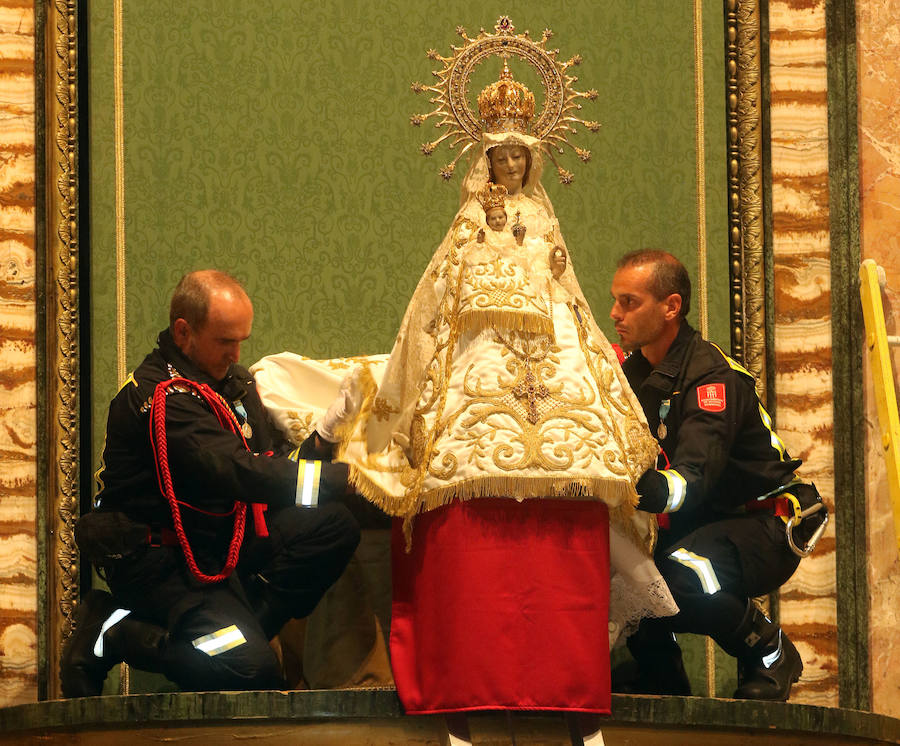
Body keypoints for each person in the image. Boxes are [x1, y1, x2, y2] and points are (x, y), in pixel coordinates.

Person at [60, 270, 360, 697]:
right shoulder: (163, 397)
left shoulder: (231, 385)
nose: (236, 354)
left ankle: (241, 637)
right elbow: (238, 473)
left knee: (332, 525)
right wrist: (341, 479)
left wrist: (322, 441)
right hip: (163, 560)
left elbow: (268, 471)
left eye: (241, 341)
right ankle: (113, 631)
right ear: (184, 332)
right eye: (225, 342)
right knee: (252, 672)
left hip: (223, 544)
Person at [609, 249, 828, 701]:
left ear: (671, 307)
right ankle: (661, 677)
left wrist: (633, 487)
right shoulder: (632, 373)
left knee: (681, 576)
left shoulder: (712, 378)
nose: (615, 313)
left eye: (629, 302)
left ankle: (769, 652)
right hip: (703, 522)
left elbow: (692, 479)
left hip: (764, 520)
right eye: (616, 300)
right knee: (622, 574)